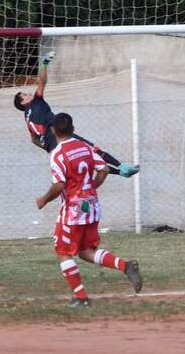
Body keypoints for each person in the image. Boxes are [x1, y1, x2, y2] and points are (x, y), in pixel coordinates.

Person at [35, 112, 143, 307]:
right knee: (85, 251)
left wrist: (43, 199)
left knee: (63, 252)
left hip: (73, 210)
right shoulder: (85, 147)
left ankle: (81, 297)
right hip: (92, 206)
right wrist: (92, 186)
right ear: (73, 129)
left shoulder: (57, 155)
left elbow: (59, 185)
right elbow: (104, 169)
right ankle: (125, 266)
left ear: (52, 130)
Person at [14, 52, 139, 178]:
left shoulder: (27, 119)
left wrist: (46, 145)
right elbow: (42, 82)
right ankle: (121, 167)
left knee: (84, 160)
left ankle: (121, 172)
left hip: (53, 148)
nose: (28, 93)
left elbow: (33, 139)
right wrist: (44, 64)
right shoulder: (36, 101)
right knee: (91, 151)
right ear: (23, 102)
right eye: (24, 94)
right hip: (61, 135)